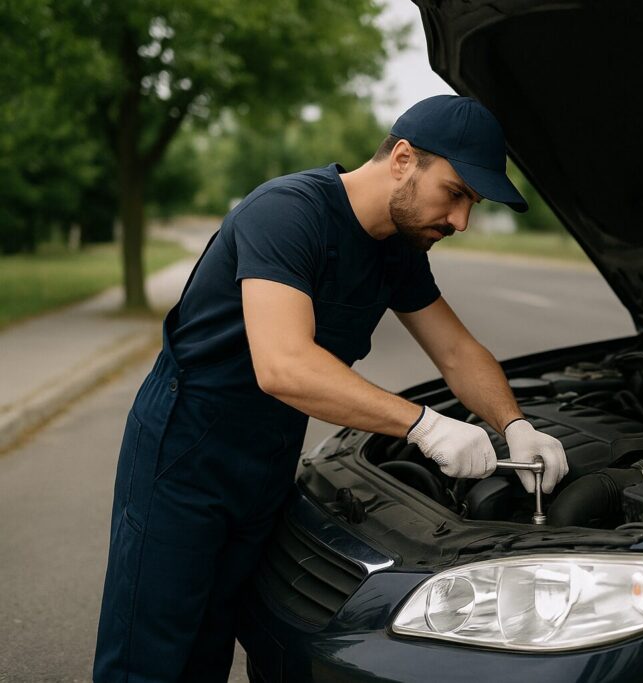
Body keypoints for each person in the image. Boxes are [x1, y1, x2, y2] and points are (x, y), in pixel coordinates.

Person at [93, 95, 569, 682]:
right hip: (187, 448)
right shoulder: (288, 213)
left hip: (268, 454)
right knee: (150, 652)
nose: (461, 221)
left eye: (470, 202)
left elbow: (456, 350)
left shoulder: (398, 247)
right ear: (402, 159)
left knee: (211, 642)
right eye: (455, 193)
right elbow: (284, 366)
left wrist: (514, 424)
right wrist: (426, 425)